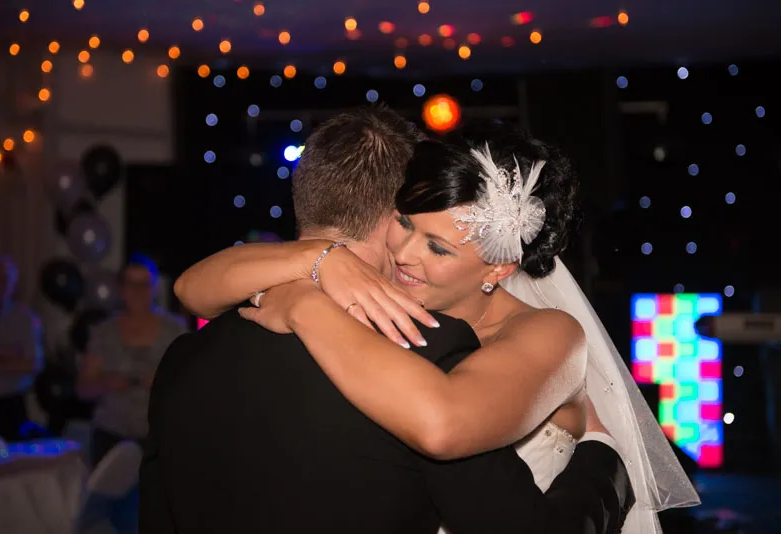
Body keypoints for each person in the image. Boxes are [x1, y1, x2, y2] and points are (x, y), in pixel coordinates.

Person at [176, 118, 699, 532]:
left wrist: (302, 307)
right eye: (404, 223)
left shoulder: (550, 335)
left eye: (438, 247)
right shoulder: (384, 311)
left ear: (498, 268)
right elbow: (192, 289)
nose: (403, 254)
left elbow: (444, 427)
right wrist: (321, 259)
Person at [77, 254, 186, 465]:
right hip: (111, 435)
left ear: (155, 288)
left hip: (159, 436)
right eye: (131, 284)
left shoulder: (174, 330)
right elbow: (83, 388)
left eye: (144, 285)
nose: (137, 292)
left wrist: (162, 383)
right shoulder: (104, 332)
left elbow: (191, 385)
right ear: (121, 288)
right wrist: (106, 383)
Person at [0, 255, 44, 441]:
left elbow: (33, 364)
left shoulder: (27, 318)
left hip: (11, 404)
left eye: (3, 280)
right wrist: (3, 352)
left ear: (13, 286)